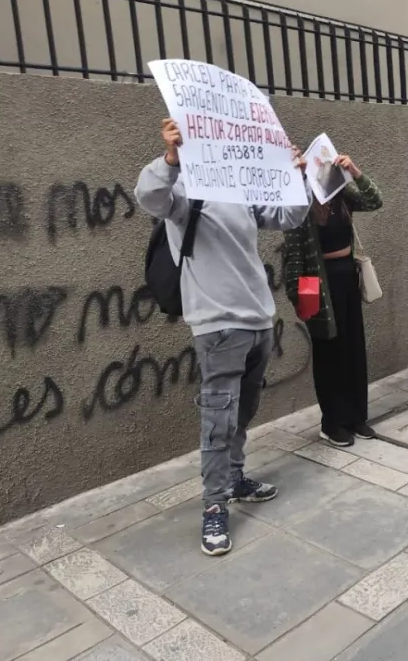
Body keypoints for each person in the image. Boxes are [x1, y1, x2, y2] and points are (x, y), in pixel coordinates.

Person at [135, 118, 312, 556]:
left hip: (258, 319)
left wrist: (297, 178)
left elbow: (288, 215)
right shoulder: (185, 189)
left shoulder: (242, 188)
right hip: (217, 325)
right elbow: (149, 197)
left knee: (243, 410)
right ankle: (214, 506)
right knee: (218, 420)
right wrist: (170, 158)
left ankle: (234, 477)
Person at [283, 154, 383, 447]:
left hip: (347, 280)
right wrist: (298, 298)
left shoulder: (342, 195)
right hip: (316, 285)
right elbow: (293, 257)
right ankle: (332, 423)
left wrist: (355, 172)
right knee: (329, 354)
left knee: (353, 348)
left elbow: (374, 201)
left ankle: (356, 417)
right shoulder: (301, 203)